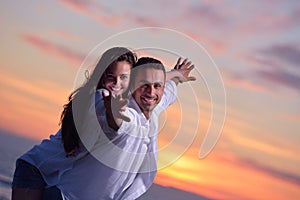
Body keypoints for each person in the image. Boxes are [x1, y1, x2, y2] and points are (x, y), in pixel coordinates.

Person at [54, 56, 196, 199]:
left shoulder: (154, 106)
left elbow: (169, 89)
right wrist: (114, 112)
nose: (151, 92)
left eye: (157, 85)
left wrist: (177, 74)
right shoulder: (127, 112)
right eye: (144, 85)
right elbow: (117, 124)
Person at [11, 46, 137, 200]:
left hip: (50, 174)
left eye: (123, 77)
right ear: (102, 76)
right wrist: (115, 112)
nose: (117, 83)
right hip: (34, 168)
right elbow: (113, 119)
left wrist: (174, 75)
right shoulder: (100, 96)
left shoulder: (103, 97)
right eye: (111, 76)